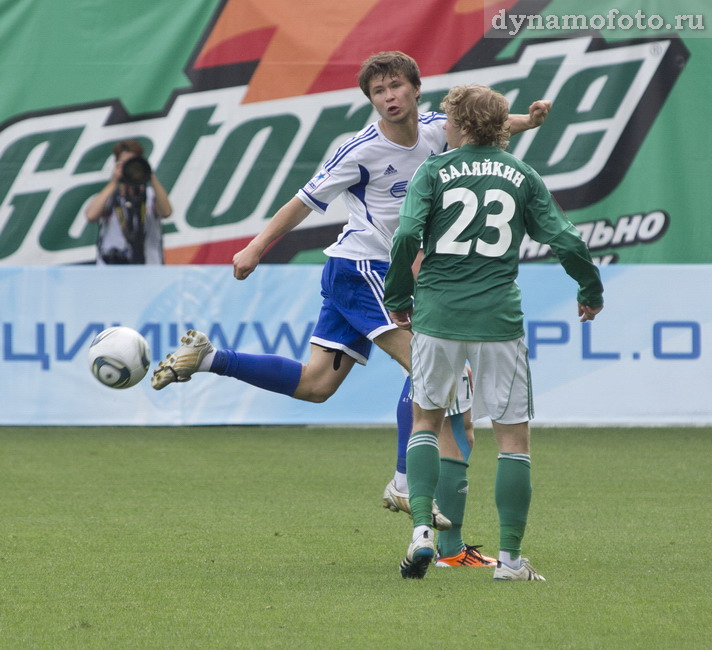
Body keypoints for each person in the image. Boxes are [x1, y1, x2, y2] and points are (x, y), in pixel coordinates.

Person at [151, 53, 549, 562]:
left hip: (380, 274)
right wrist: (255, 248)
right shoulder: (359, 150)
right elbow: (302, 202)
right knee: (438, 376)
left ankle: (210, 359)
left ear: (415, 89)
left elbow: (480, 127)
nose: (389, 96)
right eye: (379, 90)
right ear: (370, 100)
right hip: (363, 270)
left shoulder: (435, 130)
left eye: (397, 86)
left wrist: (527, 122)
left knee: (315, 385)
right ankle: (409, 486)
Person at [384, 83, 603, 580]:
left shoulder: (433, 170)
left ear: (458, 124)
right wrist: (590, 288)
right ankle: (509, 561)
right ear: (502, 126)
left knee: (427, 423)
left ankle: (422, 531)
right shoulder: (522, 175)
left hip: (438, 316)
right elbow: (565, 239)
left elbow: (405, 236)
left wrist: (399, 298)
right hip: (498, 321)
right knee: (513, 440)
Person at [85, 139, 172, 264]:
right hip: (113, 273)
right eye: (124, 163)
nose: (129, 168)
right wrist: (114, 181)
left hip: (149, 270)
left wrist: (149, 174)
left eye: (133, 164)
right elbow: (91, 215)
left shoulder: (150, 195)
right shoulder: (109, 196)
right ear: (117, 164)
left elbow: (166, 212)